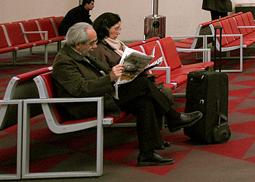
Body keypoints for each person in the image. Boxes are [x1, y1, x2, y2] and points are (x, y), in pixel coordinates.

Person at [52, 23, 202, 167]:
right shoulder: (64, 62)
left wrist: (125, 72)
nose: (95, 46)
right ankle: (173, 117)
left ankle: (147, 154)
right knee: (143, 85)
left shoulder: (81, 53)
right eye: (91, 43)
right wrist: (110, 78)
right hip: (86, 105)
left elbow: (101, 73)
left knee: (143, 102)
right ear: (78, 44)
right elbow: (80, 89)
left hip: (101, 95)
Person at [91, 12, 174, 103]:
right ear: (106, 29)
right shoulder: (99, 49)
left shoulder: (118, 45)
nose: (119, 32)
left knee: (160, 93)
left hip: (131, 83)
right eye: (116, 29)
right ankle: (171, 112)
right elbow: (104, 75)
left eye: (119, 28)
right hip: (119, 89)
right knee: (158, 93)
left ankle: (170, 112)